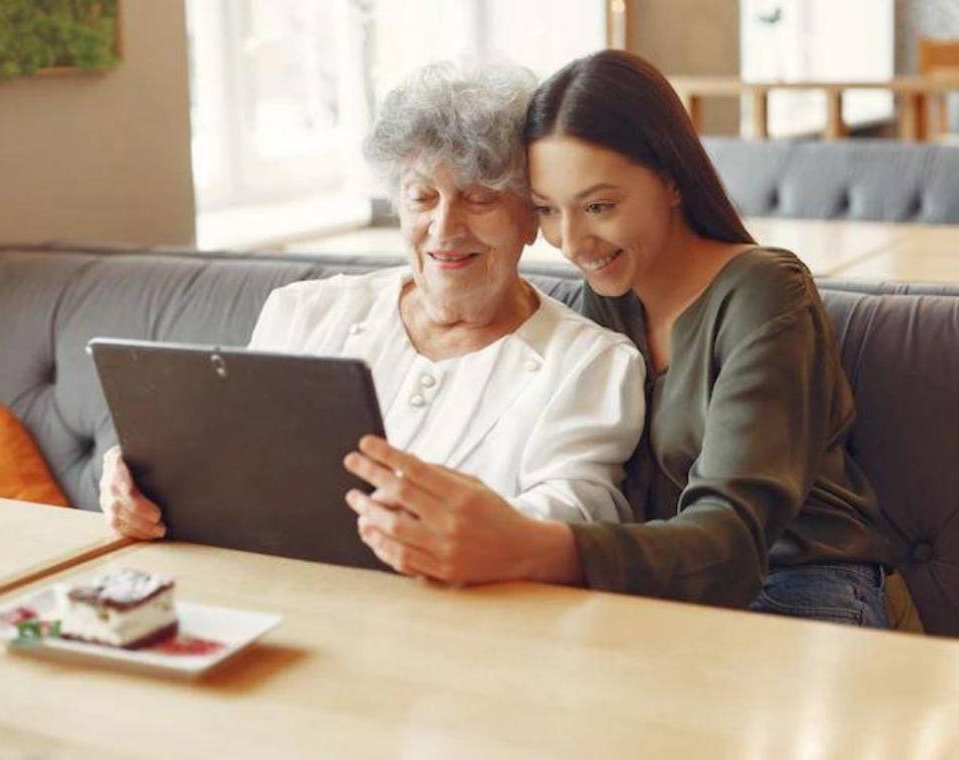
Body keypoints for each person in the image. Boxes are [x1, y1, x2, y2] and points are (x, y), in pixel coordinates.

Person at [344, 50, 894, 627]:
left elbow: (732, 539)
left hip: (804, 586)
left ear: (672, 180)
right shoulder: (604, 303)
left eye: (599, 206)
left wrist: (528, 545)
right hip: (664, 590)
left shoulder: (765, 292)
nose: (572, 242)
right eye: (547, 211)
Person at [99, 60, 645, 542]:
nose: (444, 228)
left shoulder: (591, 362)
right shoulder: (304, 314)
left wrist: (474, 528)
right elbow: (218, 453)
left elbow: (577, 516)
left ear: (532, 217)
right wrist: (142, 478)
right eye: (422, 197)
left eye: (480, 198)